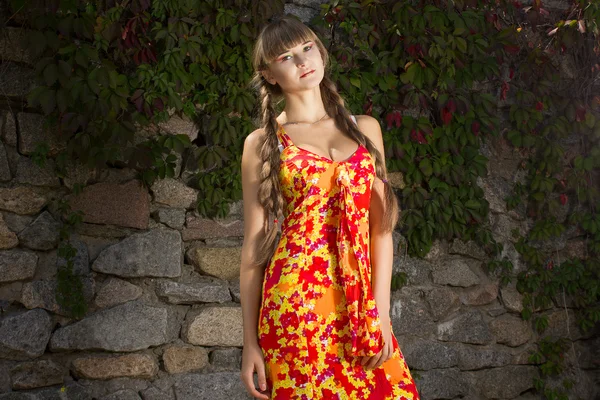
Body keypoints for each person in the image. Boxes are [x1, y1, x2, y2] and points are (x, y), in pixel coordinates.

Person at [239, 15, 421, 400]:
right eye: (286, 57)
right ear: (269, 75)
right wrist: (249, 342)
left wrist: (381, 314)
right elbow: (254, 247)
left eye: (307, 48)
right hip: (296, 301)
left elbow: (381, 228)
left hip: (360, 302)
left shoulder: (365, 129)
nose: (303, 61)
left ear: (320, 52)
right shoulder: (262, 143)